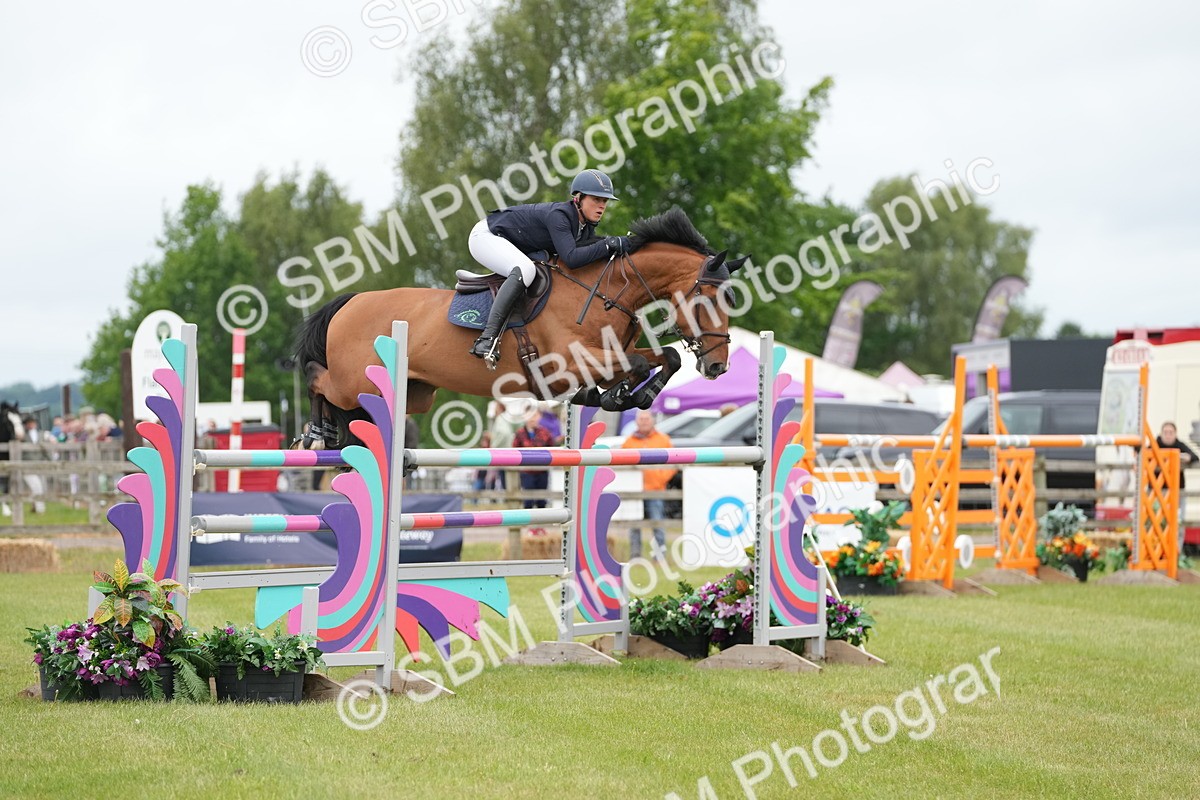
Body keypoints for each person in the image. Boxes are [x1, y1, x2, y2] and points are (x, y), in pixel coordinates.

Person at [467, 169, 630, 364]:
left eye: (605, 201)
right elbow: (572, 258)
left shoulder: (585, 227)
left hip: (511, 241)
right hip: (486, 236)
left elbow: (590, 252)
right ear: (579, 198)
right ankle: (487, 339)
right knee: (525, 269)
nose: (602, 206)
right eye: (596, 199)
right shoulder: (559, 216)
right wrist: (608, 244)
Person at [621, 410, 677, 558]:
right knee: (634, 524)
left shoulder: (663, 439)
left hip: (655, 489)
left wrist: (660, 478)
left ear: (652, 420)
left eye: (647, 418)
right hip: (635, 490)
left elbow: (673, 463)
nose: (644, 421)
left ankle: (660, 556)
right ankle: (635, 556)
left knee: (657, 523)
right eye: (641, 419)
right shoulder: (629, 442)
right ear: (636, 421)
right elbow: (622, 463)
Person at [1157, 422, 1197, 545]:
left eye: (1171, 433)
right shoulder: (1155, 445)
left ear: (1175, 434)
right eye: (1166, 432)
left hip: (1177, 490)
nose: (1168, 435)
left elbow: (1194, 457)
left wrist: (1186, 457)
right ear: (1161, 434)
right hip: (1158, 491)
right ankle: (1159, 545)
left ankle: (1177, 548)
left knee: (1179, 520)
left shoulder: (1179, 445)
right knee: (1158, 520)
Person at [512, 409, 555, 508]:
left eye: (535, 415)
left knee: (542, 501)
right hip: (526, 471)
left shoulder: (545, 433)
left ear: (540, 416)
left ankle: (542, 518)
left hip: (542, 471)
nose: (532, 418)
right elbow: (515, 451)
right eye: (530, 415)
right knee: (528, 500)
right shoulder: (519, 433)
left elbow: (551, 449)